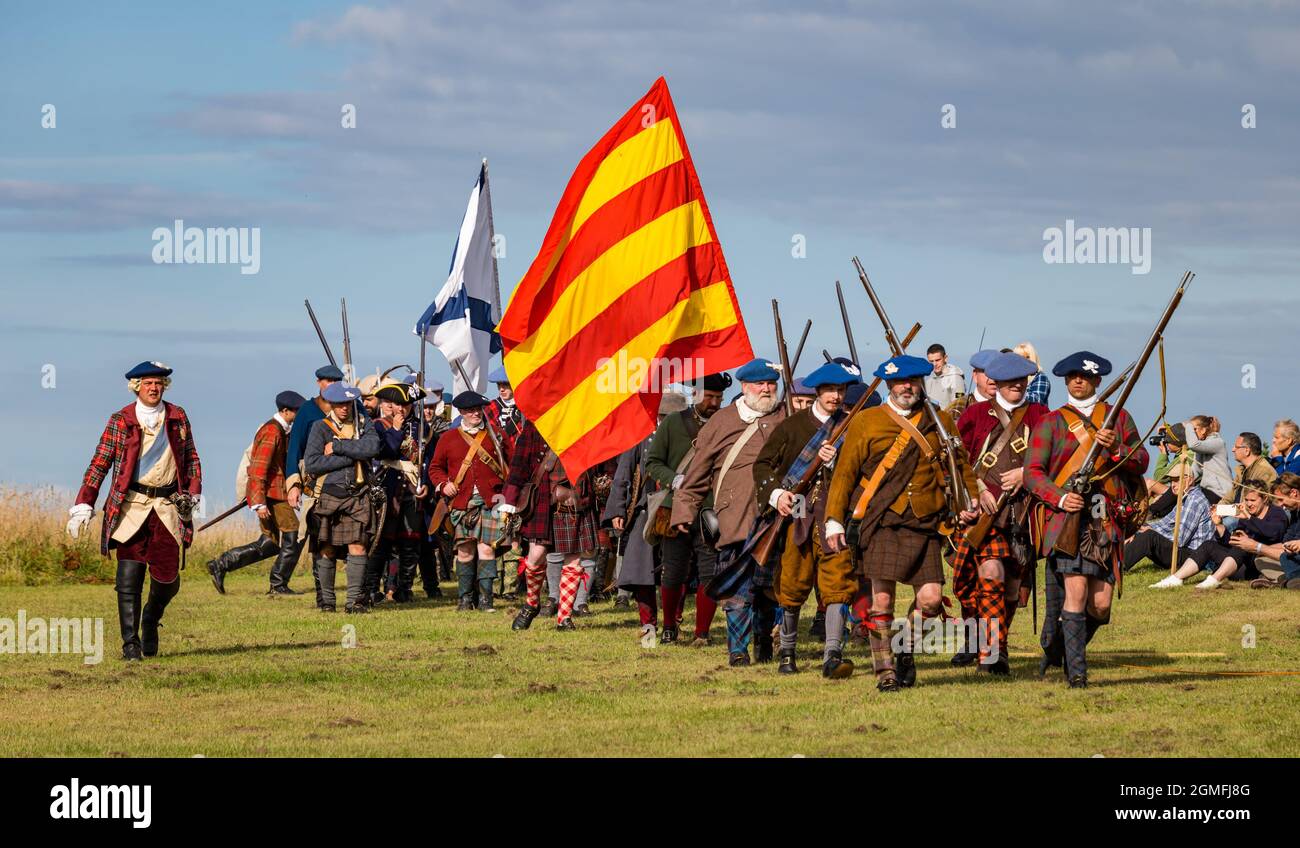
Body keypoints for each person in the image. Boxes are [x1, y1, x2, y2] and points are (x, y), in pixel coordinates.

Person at [825, 354, 979, 692]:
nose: (905, 387)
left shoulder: (938, 420)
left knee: (931, 601)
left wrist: (971, 499)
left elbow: (960, 463)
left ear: (921, 382)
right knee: (882, 603)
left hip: (924, 522)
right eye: (898, 382)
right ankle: (885, 673)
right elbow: (845, 474)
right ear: (889, 385)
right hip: (880, 521)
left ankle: (905, 649)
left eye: (911, 381)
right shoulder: (866, 421)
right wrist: (834, 520)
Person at [1024, 351, 1148, 688]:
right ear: (1066, 380)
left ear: (1097, 380)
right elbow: (1033, 474)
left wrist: (1116, 448)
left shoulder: (1117, 418)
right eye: (1073, 376)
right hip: (1068, 518)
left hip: (1105, 516)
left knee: (1101, 605)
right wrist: (1061, 497)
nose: (1079, 381)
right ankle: (1076, 674)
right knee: (1075, 594)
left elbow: (1141, 461)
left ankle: (1057, 648)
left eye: (1085, 376)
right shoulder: (1050, 422)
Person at [66, 361, 202, 660]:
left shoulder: (178, 417)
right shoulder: (121, 420)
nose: (153, 388)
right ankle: (130, 643)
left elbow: (191, 457)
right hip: (130, 507)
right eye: (148, 383)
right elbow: (99, 463)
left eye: (158, 383)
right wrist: (84, 504)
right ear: (136, 386)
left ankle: (150, 619)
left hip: (166, 507)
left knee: (167, 579)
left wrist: (192, 494)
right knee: (128, 574)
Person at [671, 360, 789, 666]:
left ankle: (764, 645)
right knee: (737, 592)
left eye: (771, 384)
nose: (766, 389)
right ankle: (738, 651)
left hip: (775, 518)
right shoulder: (721, 421)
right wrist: (684, 509)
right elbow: (697, 472)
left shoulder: (785, 418)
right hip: (732, 519)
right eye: (760, 384)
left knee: (768, 589)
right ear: (745, 387)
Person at [753, 361, 861, 678]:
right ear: (818, 391)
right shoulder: (792, 426)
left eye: (841, 390)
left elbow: (862, 469)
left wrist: (837, 459)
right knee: (792, 582)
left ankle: (833, 655)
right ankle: (787, 653)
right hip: (797, 509)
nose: (836, 396)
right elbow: (762, 466)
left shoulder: (853, 426)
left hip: (834, 512)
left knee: (838, 582)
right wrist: (777, 496)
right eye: (830, 389)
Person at [949, 352, 1050, 674]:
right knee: (990, 574)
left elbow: (1055, 458)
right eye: (1010, 382)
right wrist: (976, 487)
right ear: (998, 384)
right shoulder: (975, 415)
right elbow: (956, 462)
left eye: (1022, 381)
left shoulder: (1040, 414)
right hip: (985, 515)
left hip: (1025, 515)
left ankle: (997, 645)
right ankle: (991, 653)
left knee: (1011, 589)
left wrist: (1026, 473)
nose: (1017, 386)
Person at [644, 372, 730, 645]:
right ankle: (669, 626)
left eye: (719, 397)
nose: (714, 402)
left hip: (711, 509)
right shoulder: (673, 423)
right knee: (673, 570)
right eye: (710, 396)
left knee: (710, 572)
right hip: (674, 507)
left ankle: (702, 633)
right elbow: (653, 463)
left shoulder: (727, 425)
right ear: (696, 394)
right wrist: (675, 479)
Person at [502, 422, 613, 631]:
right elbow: (519, 464)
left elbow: (605, 461)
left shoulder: (588, 423)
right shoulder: (536, 425)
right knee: (535, 557)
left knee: (575, 559)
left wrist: (606, 482)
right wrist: (510, 498)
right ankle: (531, 604)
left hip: (577, 499)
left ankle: (564, 618)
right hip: (544, 499)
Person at [603, 393, 686, 641]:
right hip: (645, 509)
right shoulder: (640, 437)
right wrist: (617, 509)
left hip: (679, 509)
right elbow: (623, 475)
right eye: (664, 416)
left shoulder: (691, 439)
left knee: (677, 570)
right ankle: (648, 626)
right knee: (641, 573)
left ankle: (672, 623)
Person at [207, 390, 307, 595]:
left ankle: (221, 564)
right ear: (286, 411)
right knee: (292, 535)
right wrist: (259, 502)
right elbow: (258, 469)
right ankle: (278, 585)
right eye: (297, 411)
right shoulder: (273, 431)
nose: (299, 415)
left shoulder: (281, 430)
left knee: (270, 543)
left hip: (271, 493)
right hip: (273, 495)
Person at [427, 391, 511, 611]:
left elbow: (510, 465)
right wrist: (444, 484)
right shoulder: (448, 438)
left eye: (478, 409)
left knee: (487, 549)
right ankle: (465, 598)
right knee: (464, 550)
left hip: (491, 502)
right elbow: (435, 468)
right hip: (461, 503)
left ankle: (485, 599)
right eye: (471, 410)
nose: (476, 413)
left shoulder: (496, 435)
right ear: (462, 412)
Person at [303, 382, 382, 613]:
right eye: (339, 404)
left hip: (357, 495)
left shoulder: (364, 424)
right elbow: (314, 463)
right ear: (331, 404)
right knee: (325, 548)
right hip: (328, 494)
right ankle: (327, 602)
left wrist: (338, 446)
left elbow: (373, 448)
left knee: (358, 547)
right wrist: (353, 455)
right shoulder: (320, 427)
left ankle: (355, 602)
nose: (344, 408)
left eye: (347, 403)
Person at [285, 364, 344, 607]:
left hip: (346, 481)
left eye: (335, 381)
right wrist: (293, 484)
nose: (330, 385)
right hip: (315, 483)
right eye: (326, 381)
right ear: (318, 382)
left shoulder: (351, 407)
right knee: (320, 538)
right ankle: (324, 596)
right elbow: (293, 450)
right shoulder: (307, 411)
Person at [366, 380, 430, 605]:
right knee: (382, 542)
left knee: (410, 542)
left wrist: (428, 484)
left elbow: (428, 461)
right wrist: (395, 429)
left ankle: (404, 589)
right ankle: (372, 589)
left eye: (407, 404)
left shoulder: (423, 428)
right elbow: (386, 451)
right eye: (398, 404)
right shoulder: (379, 426)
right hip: (388, 486)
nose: (402, 408)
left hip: (412, 489)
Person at [1125, 461, 1217, 585]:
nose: (1173, 485)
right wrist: (1139, 529)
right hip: (1186, 552)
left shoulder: (1194, 500)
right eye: (1172, 481)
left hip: (1194, 557)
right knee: (1143, 533)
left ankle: (1117, 567)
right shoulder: (1184, 498)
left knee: (1149, 537)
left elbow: (1180, 539)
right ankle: (1115, 561)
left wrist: (1150, 532)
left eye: (1177, 480)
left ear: (1189, 480)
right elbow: (1165, 522)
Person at [1252, 474, 1300, 589]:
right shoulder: (1294, 512)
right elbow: (1287, 541)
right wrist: (1259, 549)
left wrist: (1258, 547)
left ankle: (1287, 580)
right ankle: (1285, 579)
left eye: (1281, 499)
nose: (1281, 505)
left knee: (1285, 557)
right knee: (1261, 559)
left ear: (1294, 493)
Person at [1226, 431, 1277, 505]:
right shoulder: (1241, 471)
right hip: (1236, 513)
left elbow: (1252, 505)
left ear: (1247, 450)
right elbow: (1229, 497)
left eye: (1236, 447)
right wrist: (1217, 509)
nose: (1233, 449)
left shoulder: (1265, 471)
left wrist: (1223, 510)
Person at [923, 343, 965, 410]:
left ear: (945, 358)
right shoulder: (927, 380)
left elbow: (959, 406)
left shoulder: (956, 379)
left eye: (937, 360)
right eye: (931, 361)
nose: (934, 364)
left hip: (947, 419)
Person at [1014, 342, 1051, 406]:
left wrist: (1014, 394)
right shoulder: (1012, 378)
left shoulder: (1040, 377)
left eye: (1027, 357)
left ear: (1033, 358)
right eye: (1020, 357)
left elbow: (1037, 400)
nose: (1024, 360)